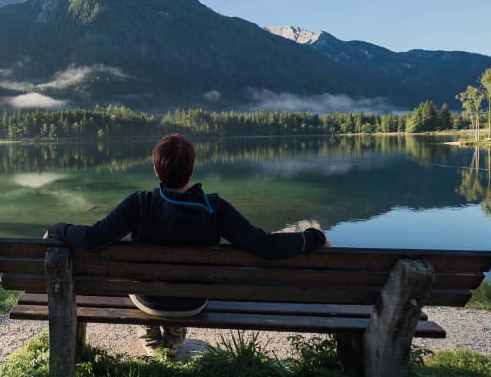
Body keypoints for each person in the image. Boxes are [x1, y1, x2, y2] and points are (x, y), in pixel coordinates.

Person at [44, 133, 329, 357]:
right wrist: (313, 237)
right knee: (183, 280)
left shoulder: (139, 203)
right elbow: (265, 245)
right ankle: (174, 335)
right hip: (192, 302)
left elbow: (92, 239)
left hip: (148, 301)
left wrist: (56, 228)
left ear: (156, 170)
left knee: (143, 278)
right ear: (191, 171)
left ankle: (153, 338)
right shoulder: (214, 208)